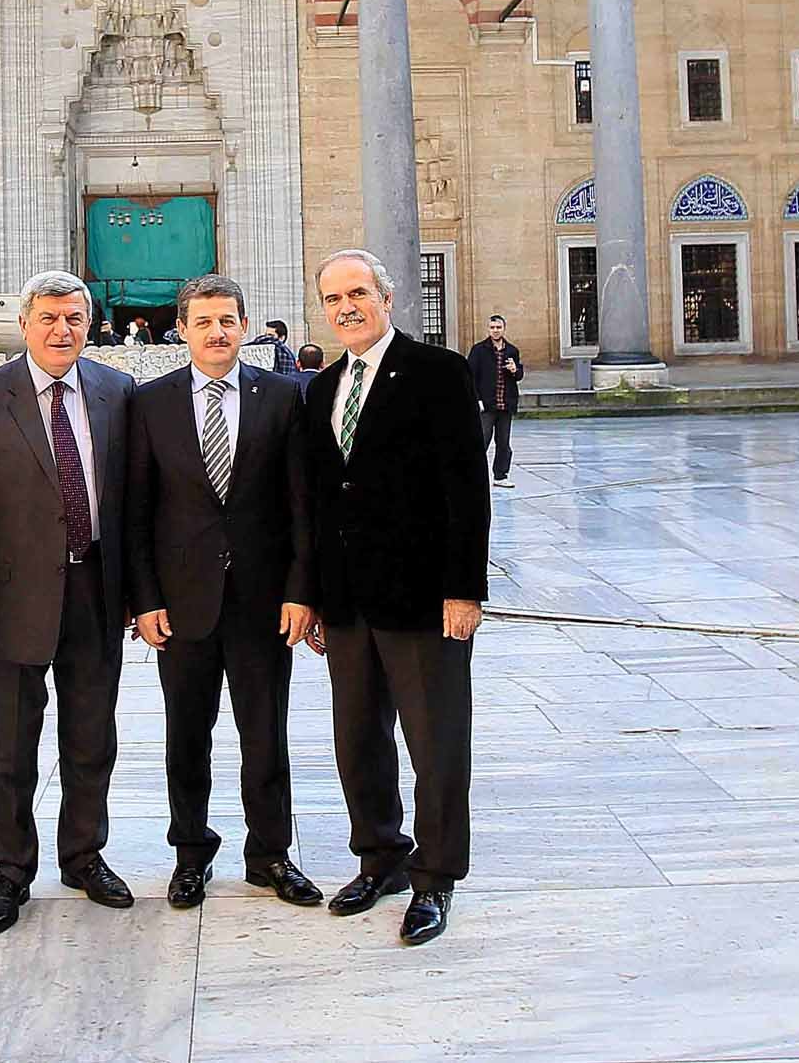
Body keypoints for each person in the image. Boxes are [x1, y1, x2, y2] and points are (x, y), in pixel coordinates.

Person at [302, 247, 489, 947]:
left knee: (435, 743)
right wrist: (315, 595)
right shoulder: (321, 389)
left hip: (424, 600)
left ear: (387, 296)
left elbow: (466, 491)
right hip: (349, 604)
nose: (345, 306)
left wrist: (463, 589)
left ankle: (435, 876)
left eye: (357, 292)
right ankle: (379, 855)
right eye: (332, 297)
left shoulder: (438, 373)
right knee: (358, 741)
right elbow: (322, 501)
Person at [0, 269, 139, 933]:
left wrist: (141, 597)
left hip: (96, 592)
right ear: (25, 324)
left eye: (74, 318)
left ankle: (84, 855)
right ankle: (11, 870)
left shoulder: (118, 392)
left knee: (91, 738)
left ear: (91, 324)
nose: (62, 330)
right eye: (49, 317)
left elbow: (133, 504)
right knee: (12, 745)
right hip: (11, 601)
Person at [124, 273, 324, 911]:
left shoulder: (283, 397)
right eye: (203, 321)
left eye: (227, 321)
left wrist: (301, 591)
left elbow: (301, 505)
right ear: (181, 330)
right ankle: (190, 854)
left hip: (264, 602)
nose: (216, 332)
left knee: (265, 732)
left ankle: (270, 854)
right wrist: (145, 599)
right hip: (181, 605)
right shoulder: (149, 402)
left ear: (245, 326)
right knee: (188, 733)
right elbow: (138, 513)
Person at [466, 314, 526, 484]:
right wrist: (476, 400)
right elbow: (470, 376)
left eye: (498, 327)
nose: (495, 330)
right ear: (488, 329)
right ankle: (472, 474)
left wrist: (515, 370)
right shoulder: (479, 350)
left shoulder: (512, 350)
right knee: (481, 440)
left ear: (504, 329)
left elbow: (519, 375)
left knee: (504, 443)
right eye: (492, 327)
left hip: (505, 404)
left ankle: (500, 476)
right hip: (486, 404)